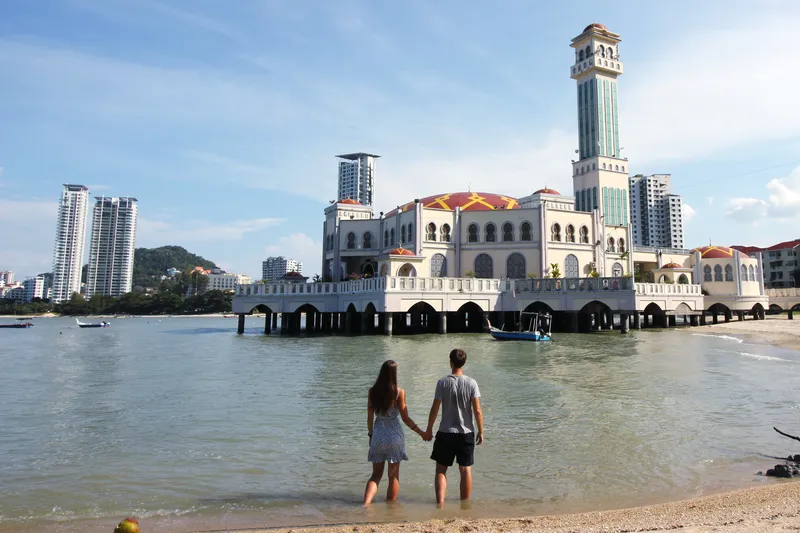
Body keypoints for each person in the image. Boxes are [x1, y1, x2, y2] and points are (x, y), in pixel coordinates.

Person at [424, 349, 483, 506]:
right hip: (466, 432)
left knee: (441, 470)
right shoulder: (472, 383)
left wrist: (429, 428)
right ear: (464, 362)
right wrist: (481, 431)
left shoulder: (442, 382)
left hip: (445, 432)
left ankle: (440, 504)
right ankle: (464, 504)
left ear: (450, 362)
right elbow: (477, 410)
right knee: (465, 469)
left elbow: (435, 408)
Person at [364, 360, 428, 505]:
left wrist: (370, 434)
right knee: (393, 476)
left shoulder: (372, 392)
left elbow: (369, 416)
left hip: (379, 433)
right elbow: (405, 418)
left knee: (375, 475)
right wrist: (421, 432)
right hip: (394, 435)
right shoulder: (399, 392)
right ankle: (390, 510)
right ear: (394, 374)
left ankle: (366, 504)